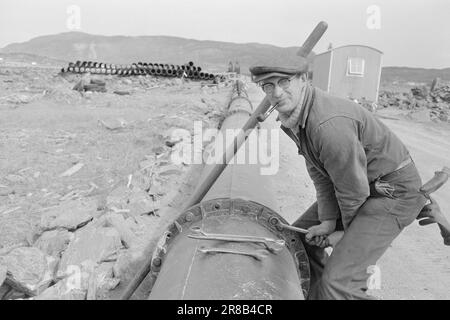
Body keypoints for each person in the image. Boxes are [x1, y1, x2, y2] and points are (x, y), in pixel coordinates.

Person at [249, 65, 428, 300]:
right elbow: (321, 176)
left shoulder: (327, 125)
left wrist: (344, 233)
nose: (277, 92)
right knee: (299, 242)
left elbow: (352, 189)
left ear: (303, 79)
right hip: (365, 186)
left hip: (393, 192)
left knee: (339, 285)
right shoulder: (297, 116)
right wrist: (327, 222)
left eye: (284, 82)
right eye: (268, 86)